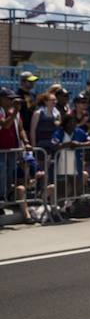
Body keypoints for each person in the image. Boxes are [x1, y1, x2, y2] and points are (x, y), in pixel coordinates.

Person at [1, 88, 34, 222]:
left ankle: (6, 197)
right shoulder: (5, 112)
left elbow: (20, 128)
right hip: (1, 149)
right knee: (2, 172)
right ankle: (1, 198)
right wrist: (15, 111)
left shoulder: (15, 113)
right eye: (9, 98)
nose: (11, 101)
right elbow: (5, 125)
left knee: (9, 174)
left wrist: (26, 141)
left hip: (12, 149)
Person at [51, 114, 90, 204]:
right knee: (62, 190)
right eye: (70, 123)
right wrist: (68, 144)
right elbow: (54, 145)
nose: (73, 125)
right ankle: (60, 209)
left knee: (78, 188)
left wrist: (79, 144)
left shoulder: (79, 131)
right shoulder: (59, 133)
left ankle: (70, 205)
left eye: (74, 122)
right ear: (65, 124)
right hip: (62, 164)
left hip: (76, 164)